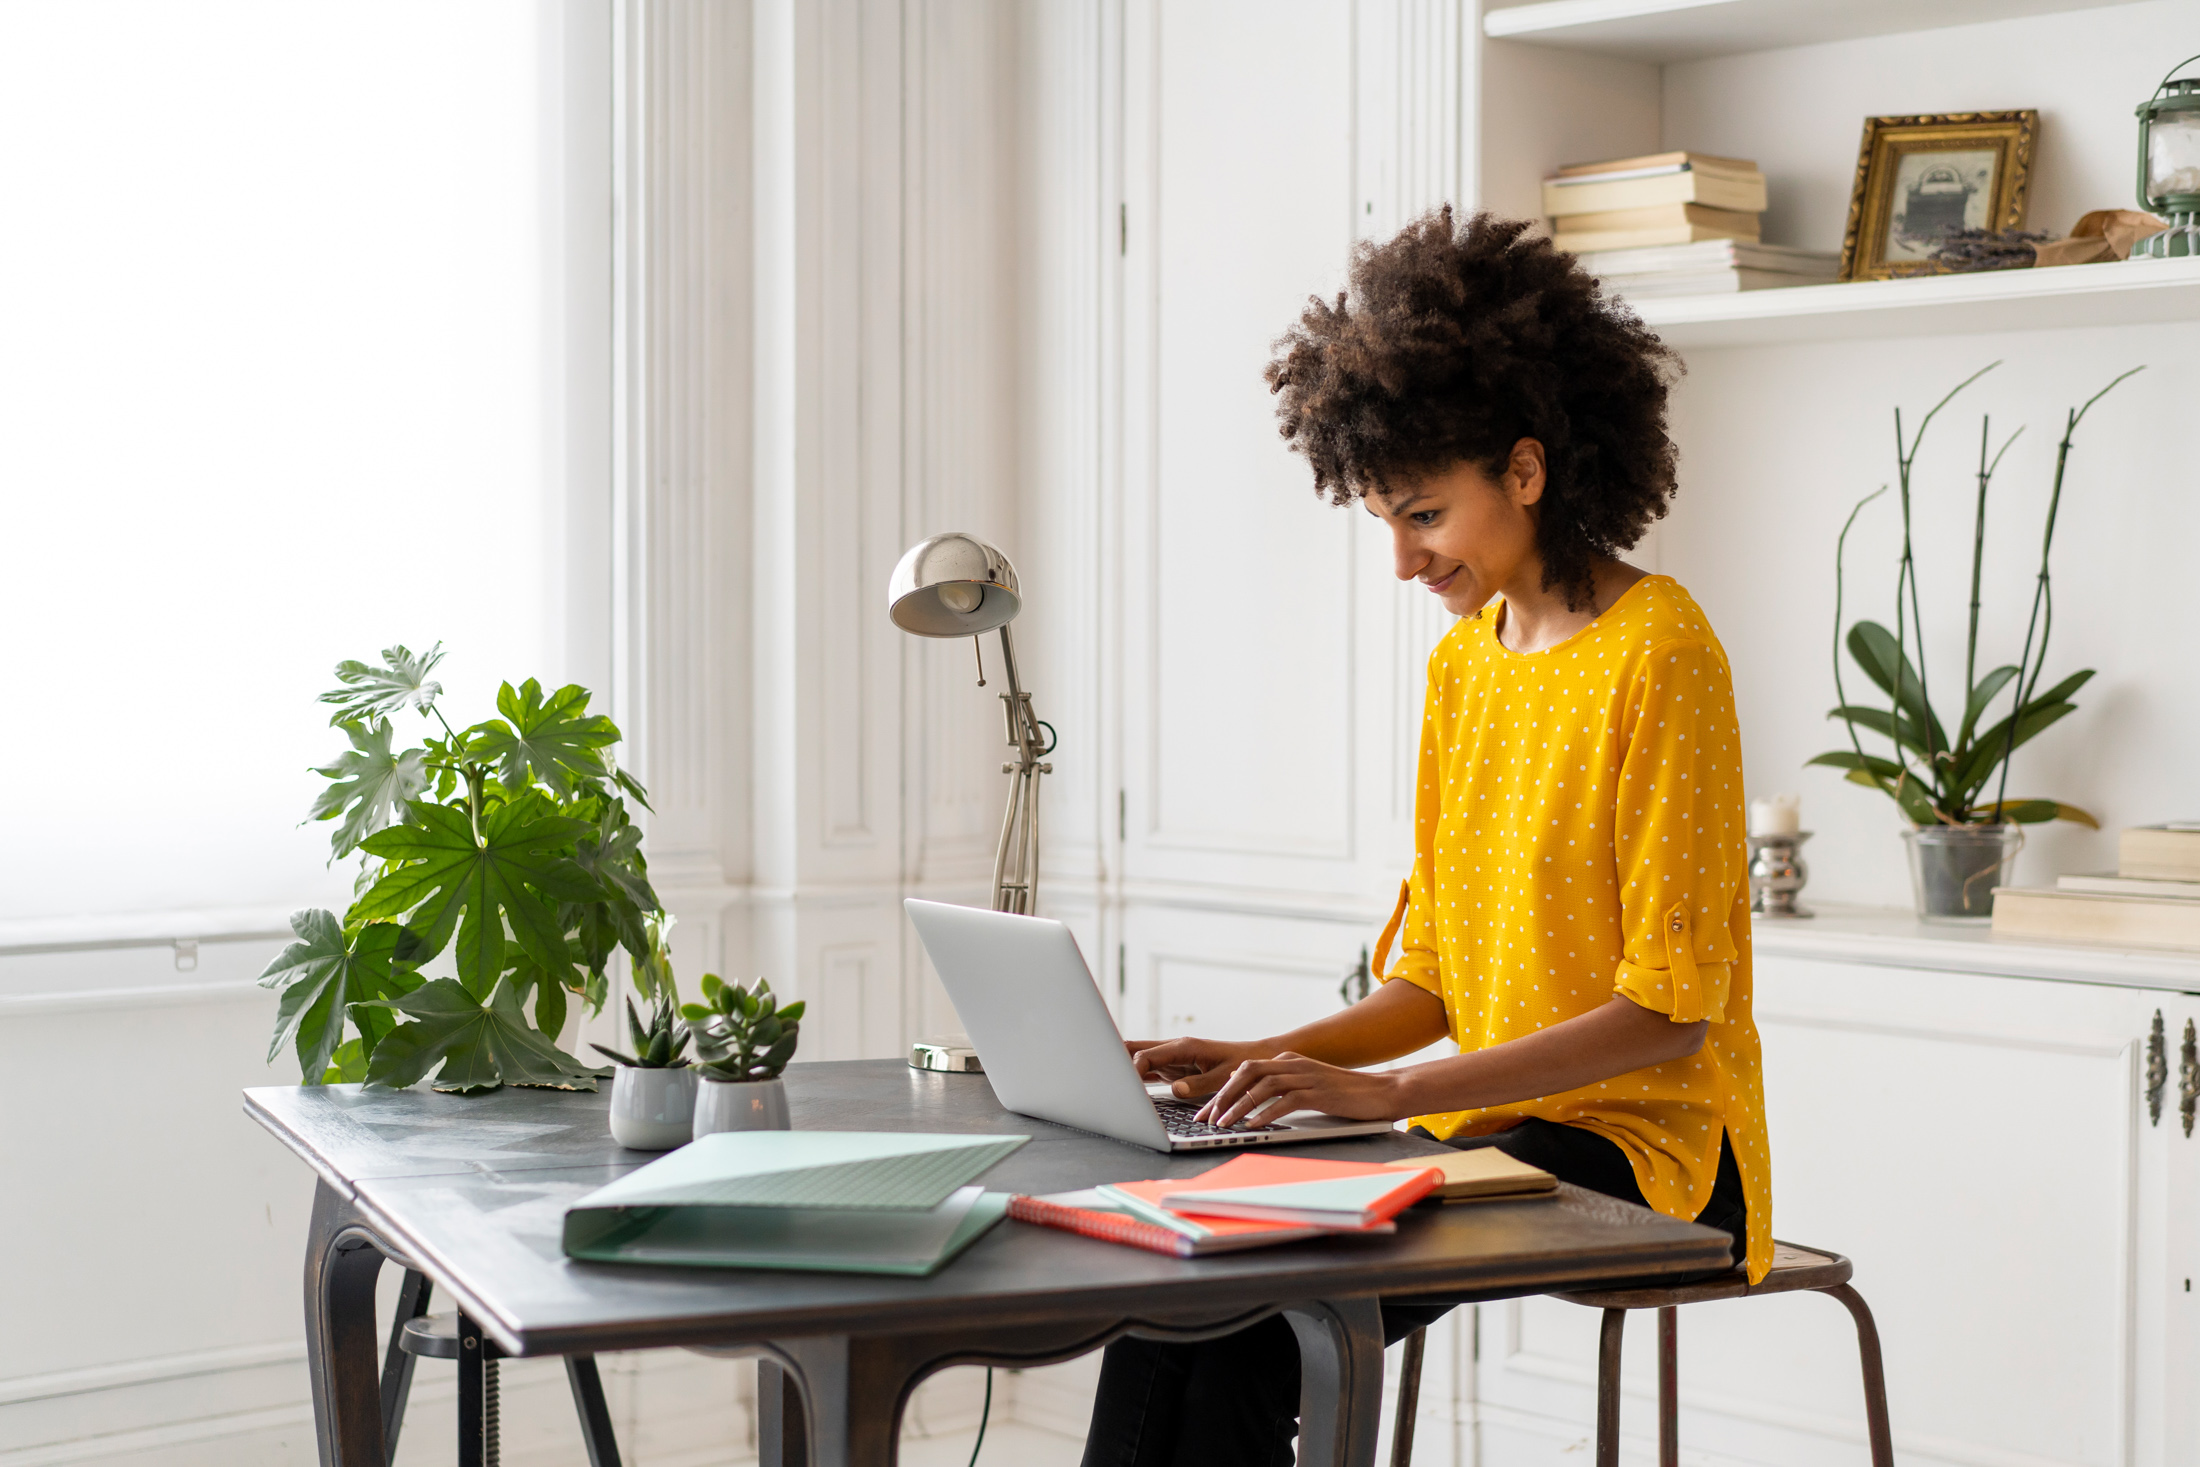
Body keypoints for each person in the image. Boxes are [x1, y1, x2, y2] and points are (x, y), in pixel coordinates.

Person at [1079, 208, 1771, 1467]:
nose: (1402, 560)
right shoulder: (1468, 665)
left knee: (1251, 1326)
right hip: (1485, 1132)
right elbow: (1435, 978)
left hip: (1643, 1155)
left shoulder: (1662, 654)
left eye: (1421, 516)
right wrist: (1252, 1058)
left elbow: (1671, 1014)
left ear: (1524, 469)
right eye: (1382, 520)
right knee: (1164, 1306)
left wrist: (1387, 1096)